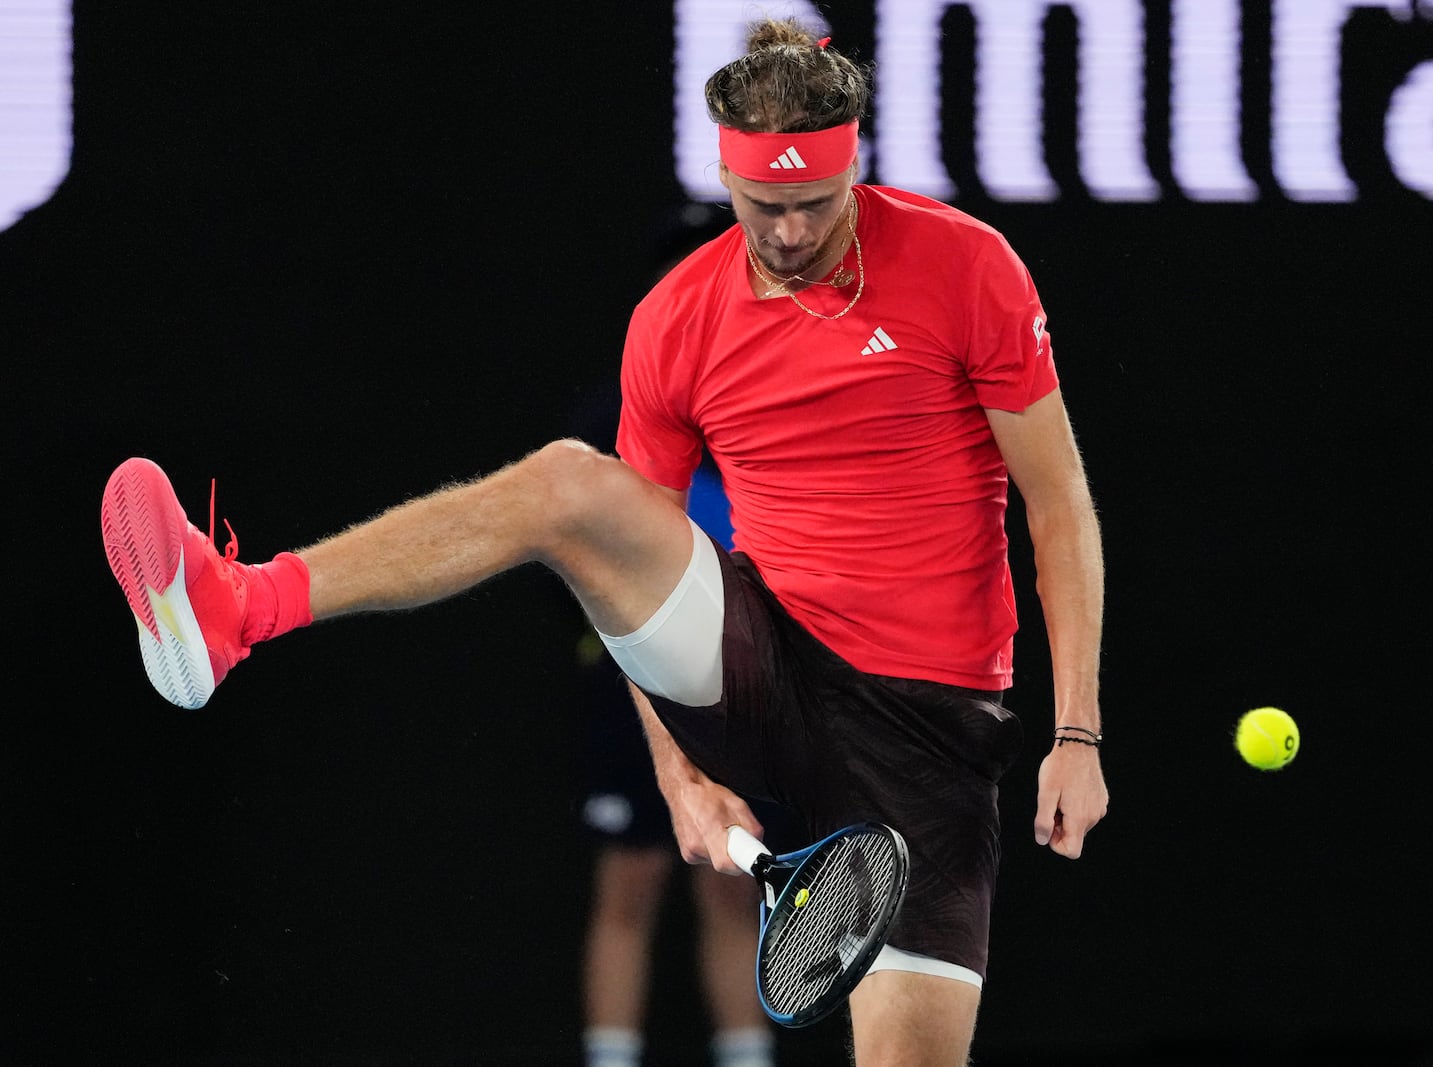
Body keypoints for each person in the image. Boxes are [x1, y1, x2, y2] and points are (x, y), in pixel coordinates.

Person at [99, 18, 1108, 1066]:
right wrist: (678, 771)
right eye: (768, 205)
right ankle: (238, 606)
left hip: (931, 727)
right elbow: (626, 576)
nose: (795, 231)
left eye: (818, 204)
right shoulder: (676, 318)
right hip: (758, 665)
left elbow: (1056, 502)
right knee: (573, 487)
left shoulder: (968, 266)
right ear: (726, 172)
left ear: (855, 168)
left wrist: (1075, 732)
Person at [576, 462, 778, 1067]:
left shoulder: (755, 430)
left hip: (736, 696)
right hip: (626, 701)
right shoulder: (613, 424)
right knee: (628, 887)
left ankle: (746, 1057)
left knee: (733, 887)